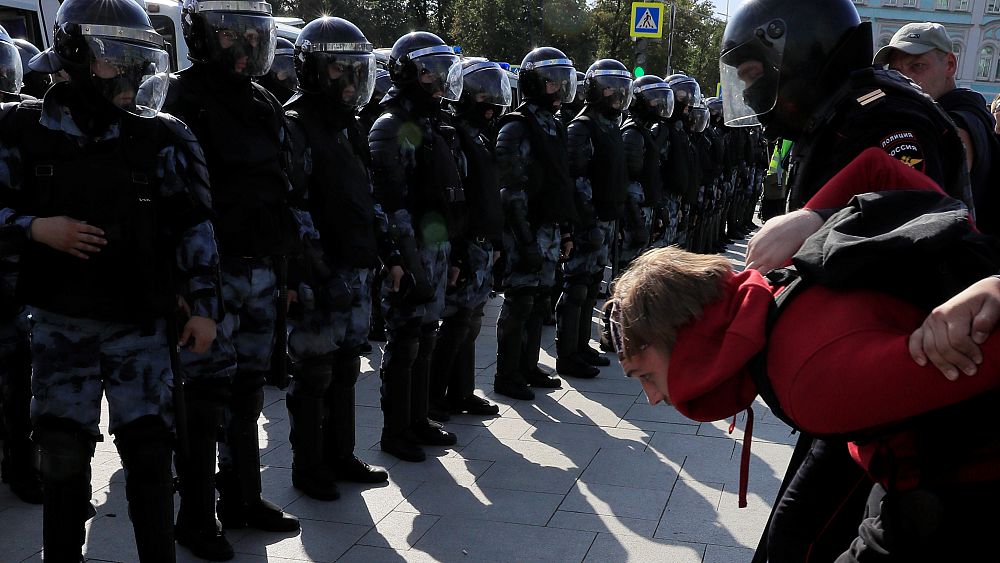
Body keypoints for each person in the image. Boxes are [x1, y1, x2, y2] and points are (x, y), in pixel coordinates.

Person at [610, 147, 1000, 562]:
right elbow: (877, 167)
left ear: (682, 338)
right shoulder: (776, 286)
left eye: (645, 375)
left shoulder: (808, 381)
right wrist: (812, 216)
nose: (651, 398)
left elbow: (981, 360)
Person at [721, 1, 973, 561]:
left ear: (799, 50)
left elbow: (913, 230)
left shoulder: (884, 118)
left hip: (899, 390)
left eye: (755, 74)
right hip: (864, 374)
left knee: (797, 544)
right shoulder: (842, 114)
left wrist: (813, 223)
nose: (753, 93)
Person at [0, 0, 221, 559]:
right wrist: (36, 228)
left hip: (140, 325)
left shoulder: (163, 136)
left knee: (151, 457)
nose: (130, 73)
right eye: (113, 58)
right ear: (75, 54)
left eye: (137, 57)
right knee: (62, 459)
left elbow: (194, 224)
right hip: (60, 325)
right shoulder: (22, 129)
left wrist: (202, 307)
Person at [164, 0, 302, 558]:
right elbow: (174, 200)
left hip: (260, 267)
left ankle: (244, 498)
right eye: (232, 36)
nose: (245, 47)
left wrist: (288, 269)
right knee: (203, 399)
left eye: (254, 35)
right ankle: (196, 520)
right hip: (209, 273)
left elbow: (283, 186)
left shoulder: (264, 100)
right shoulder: (181, 98)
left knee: (247, 393)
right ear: (203, 36)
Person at [282, 16, 389, 501]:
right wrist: (318, 273)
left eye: (355, 72)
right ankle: (309, 466)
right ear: (314, 71)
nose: (350, 84)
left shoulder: (349, 125)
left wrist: (382, 249)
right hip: (318, 272)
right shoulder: (296, 123)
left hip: (354, 265)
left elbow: (365, 194)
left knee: (346, 365)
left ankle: (340, 454)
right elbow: (293, 205)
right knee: (313, 372)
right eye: (338, 72)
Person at [368, 31, 464, 462]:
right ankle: (396, 431)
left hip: (436, 251)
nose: (440, 84)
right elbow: (388, 203)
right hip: (408, 254)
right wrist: (400, 261)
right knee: (404, 342)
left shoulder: (434, 124)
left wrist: (453, 254)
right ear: (408, 74)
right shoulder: (389, 128)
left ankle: (419, 418)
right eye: (431, 74)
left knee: (426, 337)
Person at [493, 47, 579, 400]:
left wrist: (567, 230)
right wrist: (525, 239)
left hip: (548, 228)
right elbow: (510, 188)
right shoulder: (517, 125)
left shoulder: (555, 124)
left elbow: (561, 181)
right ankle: (506, 374)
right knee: (519, 301)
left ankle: (528, 367)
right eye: (553, 82)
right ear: (535, 83)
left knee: (539, 299)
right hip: (523, 229)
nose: (560, 89)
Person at [427, 59, 510, 421]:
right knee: (458, 321)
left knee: (472, 319)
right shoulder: (454, 133)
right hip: (465, 243)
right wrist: (459, 251)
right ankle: (434, 395)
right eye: (483, 92)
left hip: (482, 242)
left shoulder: (478, 133)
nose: (491, 101)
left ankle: (461, 391)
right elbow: (455, 198)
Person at [874, 22, 1000, 234]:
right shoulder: (925, 116)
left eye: (917, 66)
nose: (905, 79)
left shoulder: (962, 118)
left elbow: (920, 193)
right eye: (895, 71)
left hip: (955, 256)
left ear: (950, 64)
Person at [557, 58, 631, 379]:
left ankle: (582, 345)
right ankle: (567, 354)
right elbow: (576, 180)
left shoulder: (609, 126)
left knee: (591, 285)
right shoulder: (581, 128)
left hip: (604, 219)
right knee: (576, 287)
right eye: (613, 91)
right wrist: (587, 222)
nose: (618, 98)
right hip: (587, 221)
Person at [621, 75, 673, 259]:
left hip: (646, 209)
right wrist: (635, 224)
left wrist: (658, 207)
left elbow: (651, 176)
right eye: (654, 100)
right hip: (634, 214)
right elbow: (627, 184)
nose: (658, 105)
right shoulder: (632, 133)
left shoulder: (645, 131)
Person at [258, 36, 297, 104]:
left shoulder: (297, 102)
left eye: (289, 71)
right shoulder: (261, 105)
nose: (288, 76)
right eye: (283, 71)